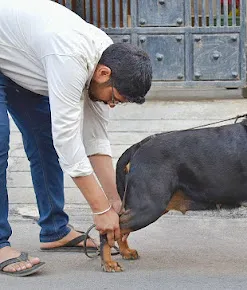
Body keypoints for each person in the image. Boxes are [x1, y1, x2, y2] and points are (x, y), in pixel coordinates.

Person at [0, 0, 152, 276]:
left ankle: (55, 230)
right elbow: (68, 141)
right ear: (103, 74)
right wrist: (99, 209)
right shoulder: (70, 58)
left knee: (44, 144)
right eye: (114, 98)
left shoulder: (107, 57)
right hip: (15, 49)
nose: (112, 105)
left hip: (24, 61)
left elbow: (95, 139)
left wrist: (114, 202)